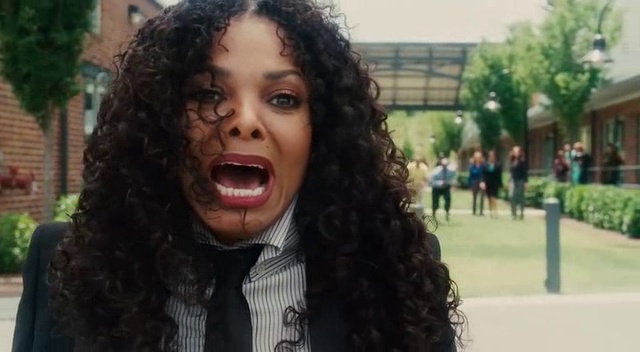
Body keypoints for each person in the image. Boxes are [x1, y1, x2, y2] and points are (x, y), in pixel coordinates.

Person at [12, 1, 462, 351]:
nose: (243, 121)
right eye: (208, 93)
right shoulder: (67, 264)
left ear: (322, 130)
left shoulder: (392, 269)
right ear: (160, 119)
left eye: (284, 98)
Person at [480, 150, 502, 218]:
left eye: (493, 156)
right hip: (488, 184)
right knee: (489, 198)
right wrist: (483, 182)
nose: (492, 158)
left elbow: (499, 175)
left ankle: (496, 211)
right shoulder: (485, 165)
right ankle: (491, 212)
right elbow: (483, 175)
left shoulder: (498, 165)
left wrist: (501, 184)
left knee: (494, 198)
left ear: (495, 157)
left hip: (495, 184)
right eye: (490, 156)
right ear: (489, 157)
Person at [509, 146, 528, 220]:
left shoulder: (522, 161)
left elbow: (525, 172)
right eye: (514, 151)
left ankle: (521, 213)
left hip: (520, 180)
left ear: (519, 153)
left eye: (517, 151)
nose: (516, 153)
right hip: (513, 180)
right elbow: (511, 172)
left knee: (521, 197)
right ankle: (514, 213)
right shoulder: (512, 161)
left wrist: (526, 182)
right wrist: (509, 181)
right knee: (512, 197)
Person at [468, 151, 485, 216]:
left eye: (479, 157)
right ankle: (474, 211)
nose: (478, 158)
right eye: (477, 157)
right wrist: (470, 185)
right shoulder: (472, 166)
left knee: (482, 197)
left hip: (482, 183)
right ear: (474, 158)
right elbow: (470, 176)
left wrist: (483, 182)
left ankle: (481, 211)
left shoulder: (483, 166)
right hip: (474, 182)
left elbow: (485, 175)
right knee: (474, 198)